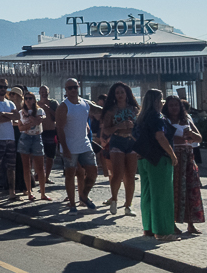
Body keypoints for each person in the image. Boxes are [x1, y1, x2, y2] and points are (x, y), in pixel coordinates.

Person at [135, 89, 180, 241]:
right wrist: (172, 155)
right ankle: (162, 231)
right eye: (161, 99)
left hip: (144, 159)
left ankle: (148, 228)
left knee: (147, 195)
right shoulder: (157, 117)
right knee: (162, 195)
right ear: (156, 101)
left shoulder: (141, 118)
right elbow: (160, 136)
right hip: (159, 159)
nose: (162, 103)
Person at [163, 96, 204, 235]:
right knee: (175, 190)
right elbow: (167, 137)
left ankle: (191, 223)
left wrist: (191, 134)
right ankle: (172, 222)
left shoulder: (186, 119)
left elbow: (199, 137)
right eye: (171, 105)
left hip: (188, 156)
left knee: (191, 189)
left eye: (176, 105)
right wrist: (185, 138)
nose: (174, 108)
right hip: (175, 157)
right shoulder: (165, 121)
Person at [55, 79, 97, 211]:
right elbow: (60, 129)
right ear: (66, 90)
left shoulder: (85, 103)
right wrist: (65, 148)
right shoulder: (63, 106)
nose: (73, 90)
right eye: (70, 88)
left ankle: (83, 196)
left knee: (93, 171)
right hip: (70, 146)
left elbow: (99, 110)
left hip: (84, 143)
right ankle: (72, 204)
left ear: (78, 87)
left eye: (75, 87)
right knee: (70, 174)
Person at [101, 82, 139, 217]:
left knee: (130, 175)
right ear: (114, 95)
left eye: (122, 92)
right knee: (118, 173)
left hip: (132, 142)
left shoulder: (135, 109)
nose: (120, 95)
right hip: (117, 141)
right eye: (117, 93)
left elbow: (140, 126)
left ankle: (128, 205)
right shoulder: (111, 111)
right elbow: (106, 129)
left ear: (127, 93)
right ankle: (114, 199)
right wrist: (119, 126)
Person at [18, 91, 50, 202]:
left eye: (30, 98)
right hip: (25, 138)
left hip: (37, 137)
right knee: (26, 167)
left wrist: (30, 120)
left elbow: (39, 121)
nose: (28, 100)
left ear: (34, 99)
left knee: (40, 167)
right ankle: (29, 192)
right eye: (26, 98)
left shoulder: (40, 110)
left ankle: (43, 193)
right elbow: (20, 128)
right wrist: (29, 123)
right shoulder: (21, 112)